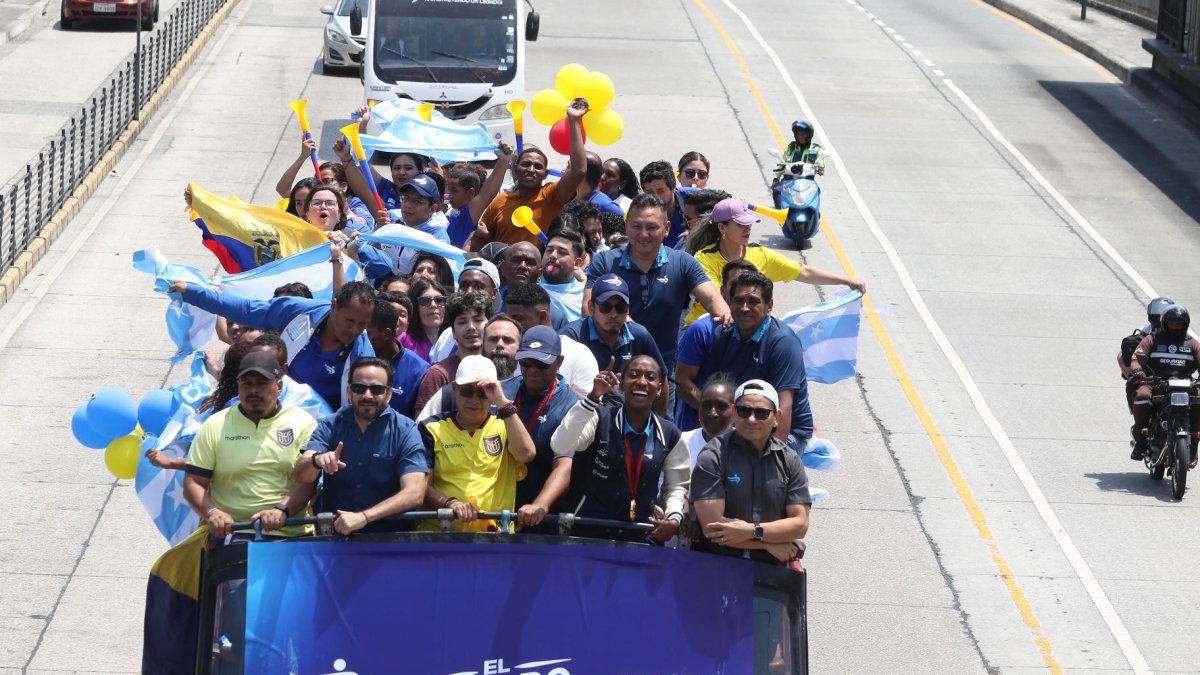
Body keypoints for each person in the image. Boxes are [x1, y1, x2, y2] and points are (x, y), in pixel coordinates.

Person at [584, 193, 732, 380]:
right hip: (611, 373)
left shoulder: (683, 262)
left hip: (663, 374)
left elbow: (713, 300)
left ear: (667, 228)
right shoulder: (604, 262)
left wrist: (727, 318)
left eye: (651, 227)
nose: (643, 234)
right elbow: (588, 307)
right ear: (626, 226)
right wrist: (622, 320)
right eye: (636, 226)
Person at [169, 279, 375, 410]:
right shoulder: (300, 312)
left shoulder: (364, 358)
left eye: (362, 324)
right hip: (267, 406)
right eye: (350, 320)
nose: (354, 330)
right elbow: (246, 310)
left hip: (315, 430)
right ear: (334, 306)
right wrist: (192, 293)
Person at [550, 355, 688, 543]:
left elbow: (676, 487)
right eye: (634, 375)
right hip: (589, 535)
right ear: (621, 383)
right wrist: (592, 397)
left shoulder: (670, 434)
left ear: (659, 388)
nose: (641, 382)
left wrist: (673, 518)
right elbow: (560, 444)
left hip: (641, 536)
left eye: (650, 377)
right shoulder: (599, 418)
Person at [183, 352, 318, 537]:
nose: (253, 390)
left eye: (262, 383)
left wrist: (282, 510)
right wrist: (212, 512)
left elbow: (308, 482)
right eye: (246, 384)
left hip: (291, 532)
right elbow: (193, 482)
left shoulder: (303, 423)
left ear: (279, 386)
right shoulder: (215, 424)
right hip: (233, 534)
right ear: (238, 387)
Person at [294, 357, 429, 534]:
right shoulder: (330, 425)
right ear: (349, 391)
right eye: (359, 388)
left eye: (377, 389)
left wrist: (364, 517)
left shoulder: (406, 430)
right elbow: (301, 474)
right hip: (335, 539)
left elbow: (415, 493)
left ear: (389, 394)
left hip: (390, 540)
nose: (367, 395)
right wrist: (316, 460)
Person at [682, 197, 865, 325]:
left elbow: (803, 271)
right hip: (707, 329)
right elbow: (716, 299)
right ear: (722, 227)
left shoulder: (760, 254)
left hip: (745, 327)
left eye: (749, 224)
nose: (747, 229)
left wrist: (847, 281)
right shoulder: (704, 259)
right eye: (740, 224)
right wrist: (764, 317)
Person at [691, 378, 809, 566]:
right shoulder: (713, 456)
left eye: (761, 413)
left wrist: (752, 531)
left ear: (776, 417)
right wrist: (767, 544)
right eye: (744, 411)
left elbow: (800, 525)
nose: (751, 419)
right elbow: (713, 529)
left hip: (771, 570)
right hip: (717, 567)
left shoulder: (789, 460)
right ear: (734, 412)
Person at [419, 355, 537, 532]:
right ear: (455, 389)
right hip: (442, 534)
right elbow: (420, 486)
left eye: (483, 392)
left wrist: (502, 402)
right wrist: (450, 503)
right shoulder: (431, 428)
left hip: (495, 536)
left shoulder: (506, 423)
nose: (474, 399)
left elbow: (526, 454)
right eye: (467, 391)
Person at [702, 272, 812, 453]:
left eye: (753, 301)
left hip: (786, 431)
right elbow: (715, 393)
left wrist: (772, 459)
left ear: (769, 306)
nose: (745, 308)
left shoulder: (783, 343)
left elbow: (784, 406)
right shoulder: (722, 336)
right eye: (738, 301)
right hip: (741, 421)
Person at [470, 98, 589, 249]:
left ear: (545, 174)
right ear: (515, 169)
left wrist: (574, 121)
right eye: (525, 164)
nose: (531, 170)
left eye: (538, 167)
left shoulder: (551, 195)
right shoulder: (499, 202)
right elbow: (478, 241)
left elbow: (579, 171)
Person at [502, 327, 581, 530]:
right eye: (526, 363)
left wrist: (540, 505)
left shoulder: (571, 406)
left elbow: (564, 465)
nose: (532, 370)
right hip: (497, 513)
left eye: (541, 364)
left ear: (559, 362)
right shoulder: (502, 391)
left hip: (543, 521)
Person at [560, 273, 668, 414]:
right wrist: (592, 391)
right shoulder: (572, 337)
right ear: (591, 307)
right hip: (582, 415)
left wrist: (658, 421)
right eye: (605, 307)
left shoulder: (640, 336)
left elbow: (661, 379)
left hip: (628, 417)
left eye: (620, 307)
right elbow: (557, 385)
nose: (613, 314)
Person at [675, 260, 758, 431]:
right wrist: (716, 413)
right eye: (736, 284)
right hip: (698, 431)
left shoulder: (767, 334)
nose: (742, 290)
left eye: (749, 285)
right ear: (723, 291)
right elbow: (681, 383)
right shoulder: (701, 330)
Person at [416, 314, 523, 420]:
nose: (500, 344)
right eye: (493, 339)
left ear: (520, 347)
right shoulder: (451, 392)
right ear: (482, 344)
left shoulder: (526, 393)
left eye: (508, 340)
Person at [1129, 304, 1200, 461]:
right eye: (1172, 322)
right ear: (1164, 323)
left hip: (1185, 385)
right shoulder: (1152, 339)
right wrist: (1138, 371)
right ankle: (1141, 439)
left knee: (1199, 398)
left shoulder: (1193, 343)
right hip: (1154, 382)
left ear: (1185, 324)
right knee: (1142, 396)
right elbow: (1135, 359)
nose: (1175, 325)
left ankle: (1194, 442)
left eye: (1179, 323)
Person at [503, 283, 598, 398]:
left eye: (517, 319)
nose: (510, 326)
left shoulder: (579, 354)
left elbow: (589, 405)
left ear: (542, 316)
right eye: (526, 364)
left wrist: (555, 384)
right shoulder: (507, 352)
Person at [415, 291, 493, 413]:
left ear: (489, 325)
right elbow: (424, 422)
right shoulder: (438, 375)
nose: (471, 327)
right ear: (453, 332)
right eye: (462, 322)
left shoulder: (499, 366)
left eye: (478, 320)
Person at [427, 258, 504, 362]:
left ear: (494, 293)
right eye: (464, 286)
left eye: (478, 286)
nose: (470, 291)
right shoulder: (447, 335)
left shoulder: (503, 339)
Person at [366, 295, 430, 417]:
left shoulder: (420, 370)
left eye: (367, 333)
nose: (361, 337)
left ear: (386, 334)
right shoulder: (355, 357)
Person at [444, 142, 515, 248]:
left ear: (470, 192)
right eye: (448, 189)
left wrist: (503, 160)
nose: (449, 195)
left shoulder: (465, 218)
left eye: (455, 190)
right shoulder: (445, 217)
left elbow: (486, 195)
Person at [682, 376, 736, 468]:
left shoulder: (746, 445)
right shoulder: (684, 442)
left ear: (734, 411)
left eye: (721, 406)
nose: (712, 413)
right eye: (706, 406)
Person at [638, 160, 693, 248]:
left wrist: (697, 232)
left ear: (673, 187)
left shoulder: (693, 197)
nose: (656, 197)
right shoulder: (637, 211)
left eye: (660, 191)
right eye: (650, 192)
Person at [773, 120, 825, 209]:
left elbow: (821, 162)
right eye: (798, 134)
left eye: (803, 134)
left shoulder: (816, 149)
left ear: (809, 135)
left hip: (807, 181)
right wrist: (776, 178)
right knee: (777, 191)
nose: (800, 136)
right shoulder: (791, 148)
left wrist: (821, 169)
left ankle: (815, 214)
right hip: (789, 180)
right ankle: (780, 213)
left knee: (817, 191)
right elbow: (782, 163)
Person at [540, 228, 587, 323]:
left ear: (577, 263)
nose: (553, 255)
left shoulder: (585, 298)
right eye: (549, 250)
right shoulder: (530, 289)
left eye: (562, 252)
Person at [576, 151, 625, 216]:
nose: (564, 170)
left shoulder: (608, 208)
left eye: (569, 167)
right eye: (602, 172)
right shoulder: (568, 197)